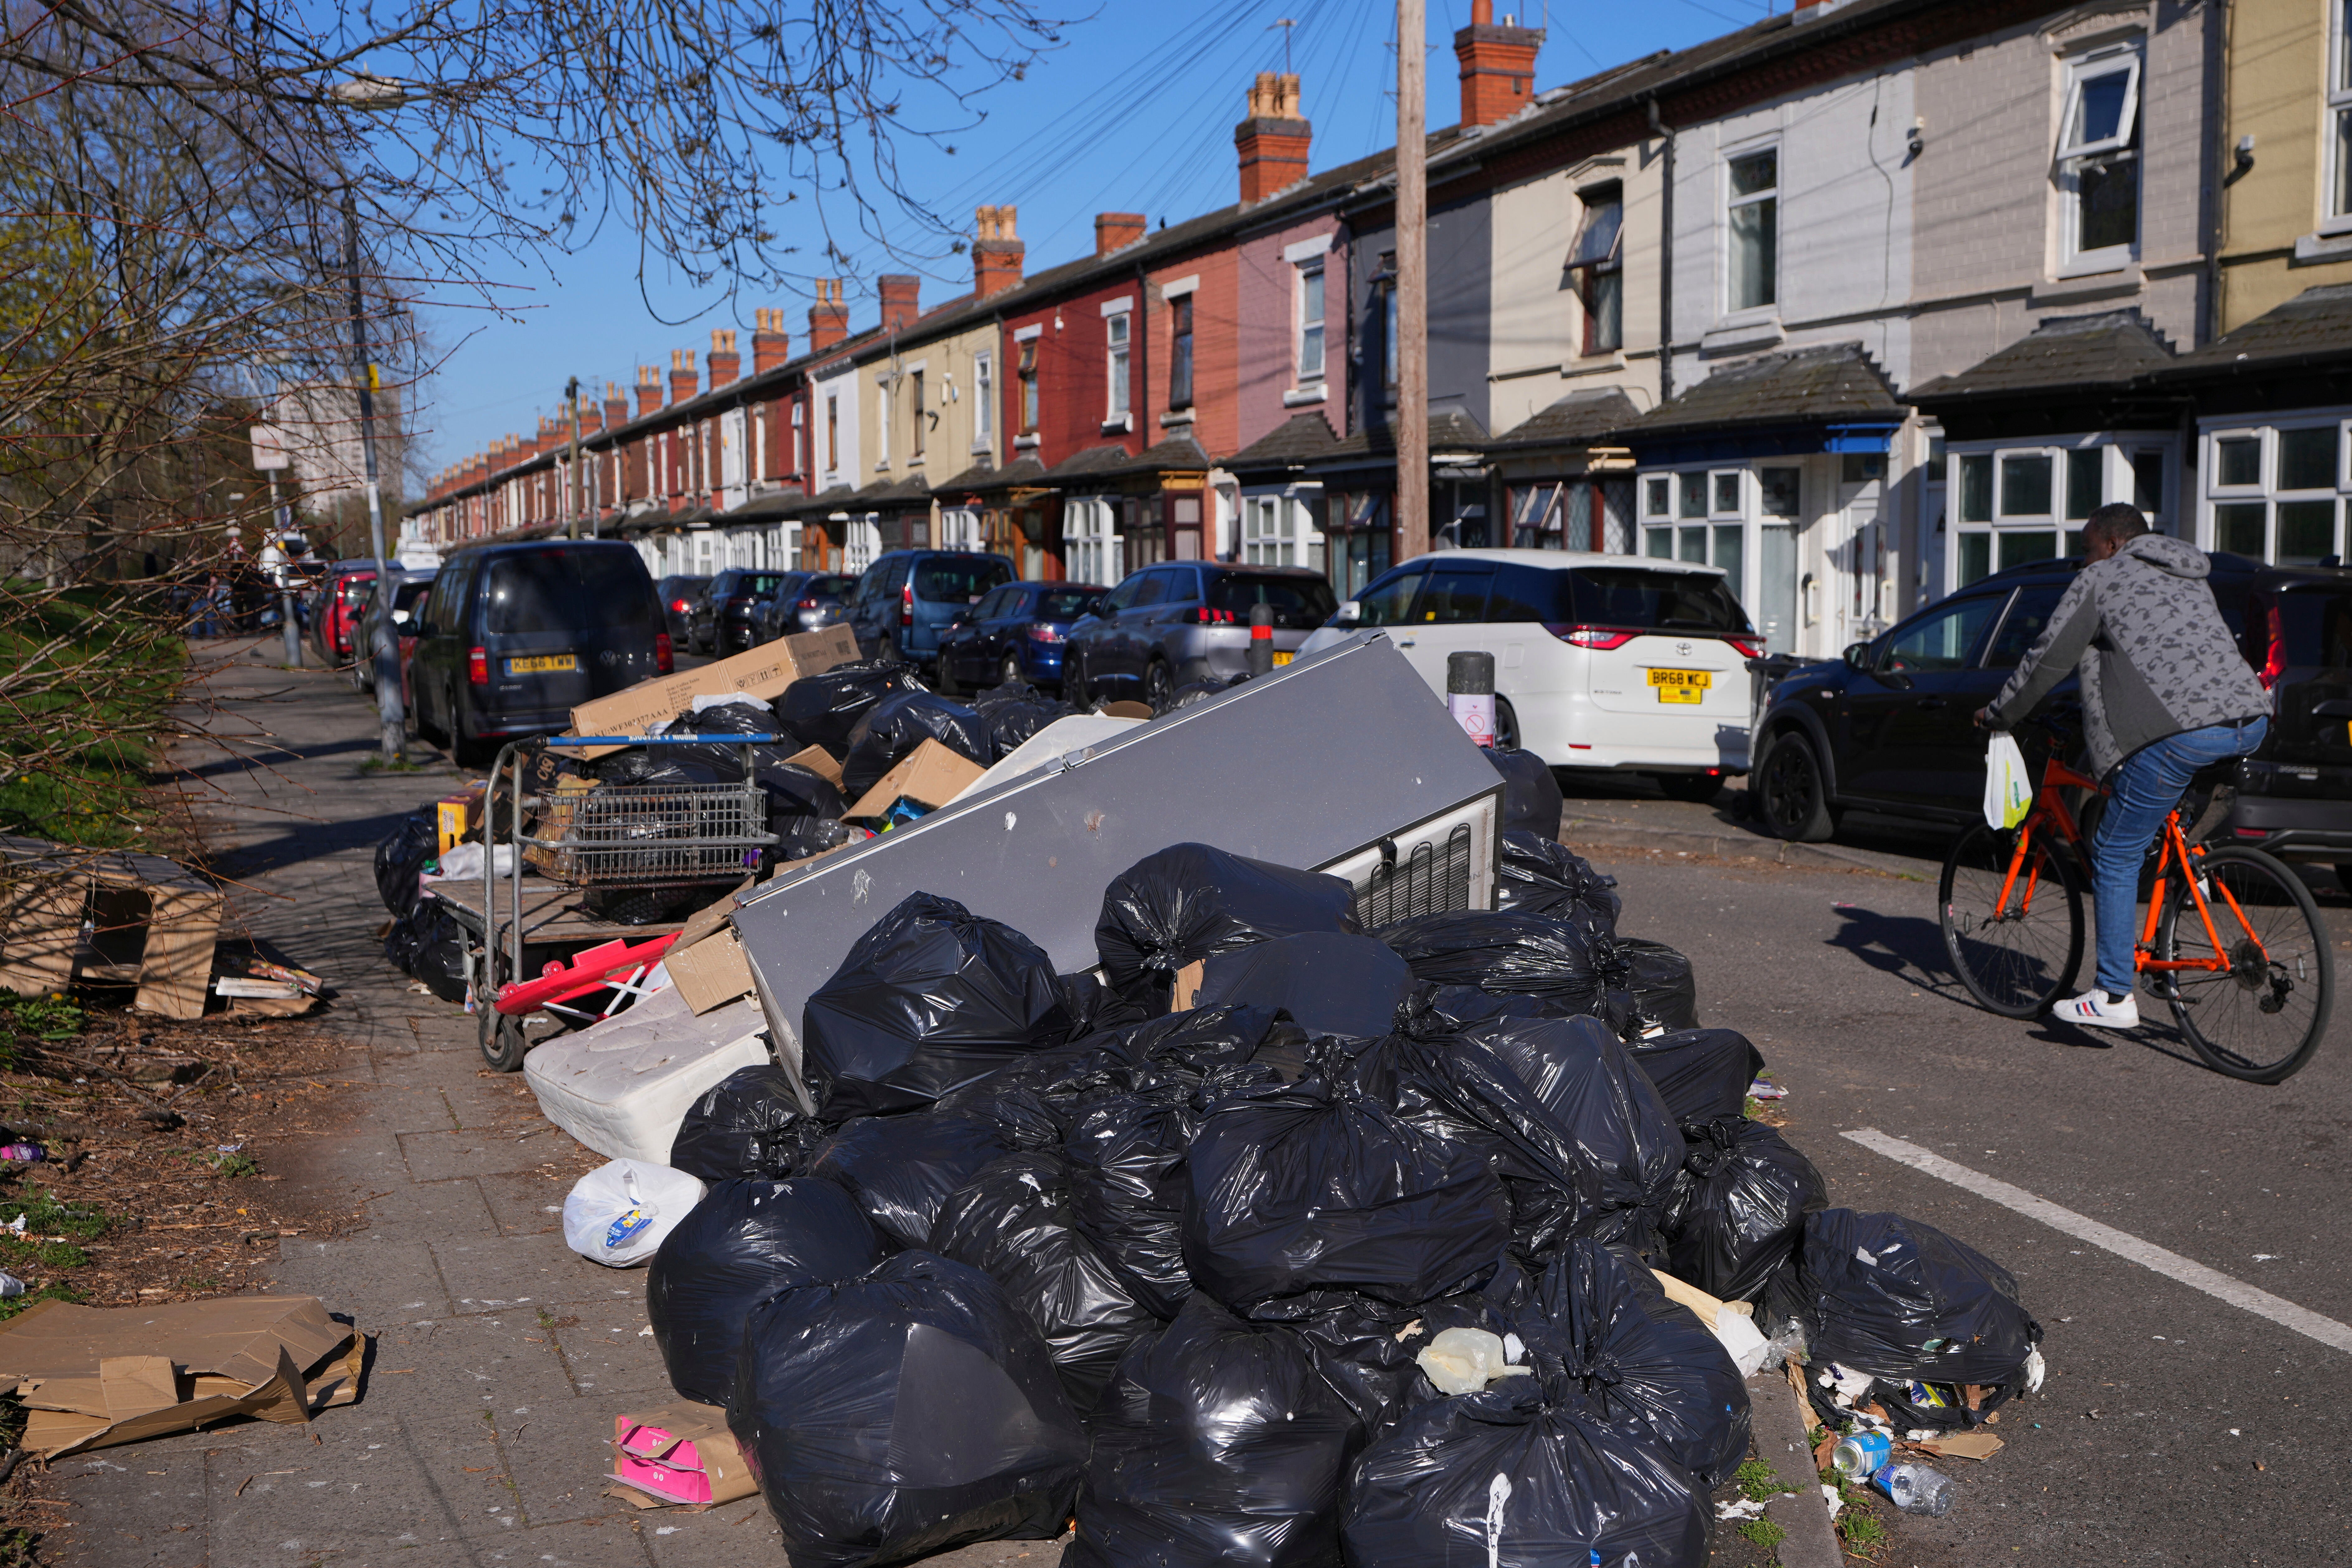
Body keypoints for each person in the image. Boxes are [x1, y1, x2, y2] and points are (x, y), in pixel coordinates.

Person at [1976, 503, 2270, 1028]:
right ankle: (2182, 897)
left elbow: (2047, 657)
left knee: (2113, 850)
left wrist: (2000, 713)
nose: (2082, 560)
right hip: (2249, 719)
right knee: (2162, 812)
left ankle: (2112, 995)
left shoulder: (2104, 577)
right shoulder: (2188, 575)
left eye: (2086, 548)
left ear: (2111, 544)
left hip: (2184, 732)